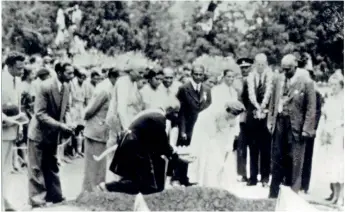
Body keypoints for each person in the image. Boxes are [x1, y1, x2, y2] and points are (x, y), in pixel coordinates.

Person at [95, 100, 193, 194]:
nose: (176, 116)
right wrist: (178, 158)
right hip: (133, 148)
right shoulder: (159, 119)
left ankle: (109, 187)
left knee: (137, 180)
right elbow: (163, 146)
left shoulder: (153, 114)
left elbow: (156, 145)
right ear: (170, 110)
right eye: (176, 112)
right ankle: (108, 187)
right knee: (144, 184)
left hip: (130, 145)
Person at [267, 54, 316, 198]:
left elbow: (311, 107)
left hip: (296, 127)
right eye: (283, 69)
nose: (285, 72)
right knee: (276, 160)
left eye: (288, 69)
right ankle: (273, 195)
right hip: (280, 123)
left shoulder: (306, 82)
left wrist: (307, 129)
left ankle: (293, 196)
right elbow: (273, 102)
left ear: (295, 66)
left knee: (295, 162)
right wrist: (271, 120)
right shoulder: (279, 79)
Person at [27, 62, 75, 207]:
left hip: (53, 134)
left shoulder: (66, 87)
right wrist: (61, 126)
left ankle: (55, 196)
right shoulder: (45, 86)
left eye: (72, 73)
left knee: (52, 165)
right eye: (68, 73)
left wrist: (69, 122)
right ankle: (37, 200)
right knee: (36, 168)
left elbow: (66, 109)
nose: (72, 76)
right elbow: (40, 114)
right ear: (59, 73)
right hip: (38, 133)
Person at [188, 101, 245, 188]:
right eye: (231, 115)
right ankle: (205, 183)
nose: (233, 117)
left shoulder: (235, 116)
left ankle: (219, 182)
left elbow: (232, 132)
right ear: (227, 110)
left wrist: (229, 146)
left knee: (222, 159)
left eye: (235, 116)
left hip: (220, 132)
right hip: (204, 132)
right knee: (207, 156)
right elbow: (211, 136)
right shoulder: (212, 114)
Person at [171, 65, 212, 186]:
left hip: (202, 127)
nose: (198, 77)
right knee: (185, 151)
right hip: (188, 126)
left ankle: (193, 177)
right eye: (196, 74)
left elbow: (209, 108)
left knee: (198, 152)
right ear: (192, 74)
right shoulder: (184, 88)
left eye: (201, 74)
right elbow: (181, 112)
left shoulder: (207, 89)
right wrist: (182, 130)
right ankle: (179, 177)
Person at [81, 68, 120, 192]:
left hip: (103, 132)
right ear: (113, 77)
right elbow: (89, 110)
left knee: (100, 166)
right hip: (95, 131)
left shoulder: (113, 88)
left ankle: (97, 191)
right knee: (93, 166)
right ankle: (90, 193)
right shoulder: (104, 89)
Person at [105, 67, 144, 181]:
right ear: (131, 71)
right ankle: (112, 184)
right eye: (140, 71)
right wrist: (127, 128)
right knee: (115, 155)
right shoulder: (123, 82)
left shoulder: (134, 83)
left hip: (130, 122)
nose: (142, 74)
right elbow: (121, 109)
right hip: (120, 123)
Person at [311, 72, 343, 206]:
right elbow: (324, 115)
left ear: (341, 85)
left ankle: (340, 196)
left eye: (335, 85)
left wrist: (334, 127)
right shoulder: (330, 98)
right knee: (330, 165)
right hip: (328, 134)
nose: (333, 87)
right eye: (331, 85)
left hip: (339, 134)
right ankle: (334, 194)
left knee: (339, 165)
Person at [2, 52, 26, 211]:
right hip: (2, 130)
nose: (22, 71)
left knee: (6, 170)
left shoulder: (16, 81)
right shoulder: (2, 80)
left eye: (23, 68)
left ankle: (4, 200)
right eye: (19, 68)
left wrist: (20, 126)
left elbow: (17, 106)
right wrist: (10, 119)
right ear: (9, 66)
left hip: (11, 130)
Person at [245, 53, 273, 187]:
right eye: (258, 64)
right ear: (255, 64)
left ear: (266, 64)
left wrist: (263, 107)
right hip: (253, 118)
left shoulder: (271, 78)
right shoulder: (250, 78)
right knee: (253, 148)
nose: (260, 66)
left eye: (263, 64)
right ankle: (253, 177)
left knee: (266, 149)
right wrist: (256, 107)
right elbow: (247, 97)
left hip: (266, 119)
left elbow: (270, 97)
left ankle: (265, 177)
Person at [236, 57, 253, 183]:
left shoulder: (254, 80)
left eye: (247, 67)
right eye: (242, 68)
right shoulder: (236, 82)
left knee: (253, 146)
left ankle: (253, 173)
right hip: (240, 117)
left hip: (252, 117)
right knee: (241, 147)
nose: (244, 70)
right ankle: (242, 173)